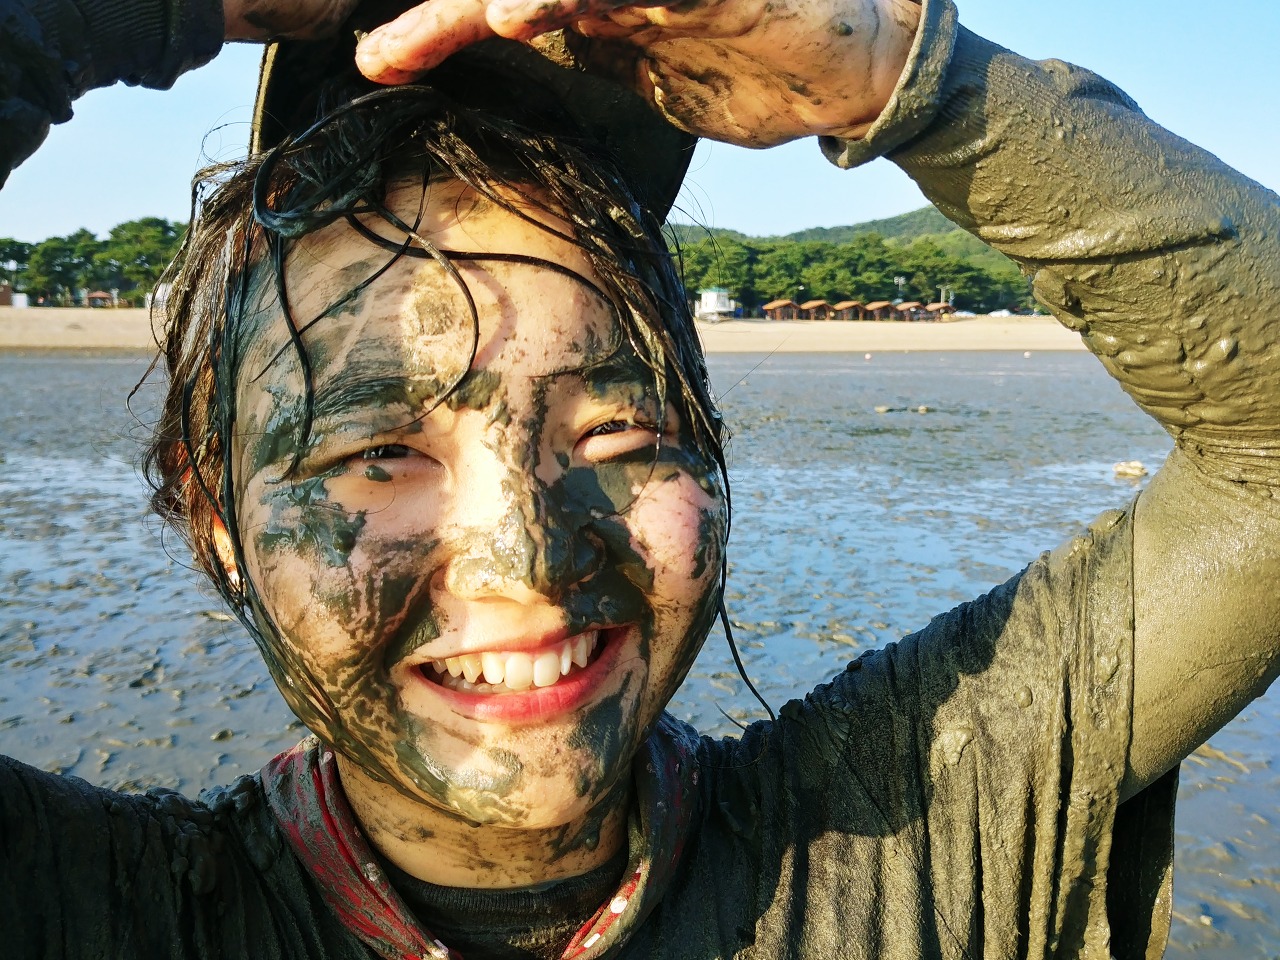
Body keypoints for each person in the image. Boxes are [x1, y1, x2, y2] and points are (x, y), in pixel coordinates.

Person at [2, 0, 1278, 958]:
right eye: (377, 454)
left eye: (615, 434)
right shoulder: (87, 905)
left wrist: (900, 74)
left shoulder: (924, 820)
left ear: (706, 450)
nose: (525, 565)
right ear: (217, 516)